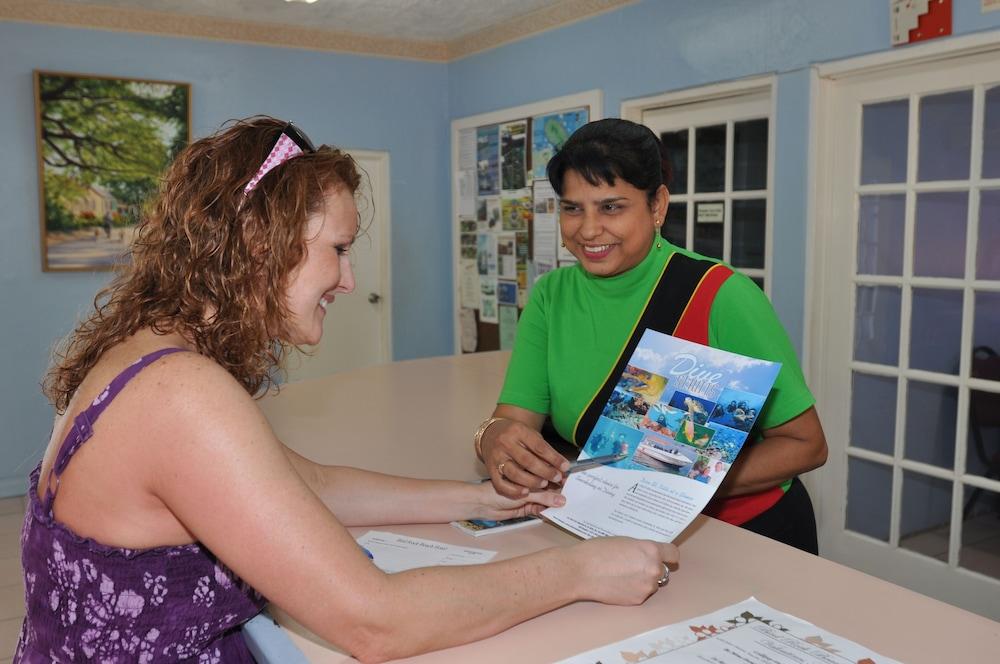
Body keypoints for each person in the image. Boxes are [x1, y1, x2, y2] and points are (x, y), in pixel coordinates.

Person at [16, 117, 679, 663]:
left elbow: (312, 485)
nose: (349, 279)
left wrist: (484, 500)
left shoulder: (148, 354)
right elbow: (375, 621)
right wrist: (585, 570)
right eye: (337, 248)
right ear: (259, 240)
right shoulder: (181, 392)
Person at [474, 118, 827, 554]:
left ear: (657, 204)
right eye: (572, 208)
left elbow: (806, 445)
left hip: (742, 534)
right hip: (616, 529)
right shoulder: (552, 295)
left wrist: (678, 479)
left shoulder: (721, 295)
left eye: (611, 207)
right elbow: (513, 419)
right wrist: (492, 439)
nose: (587, 230)